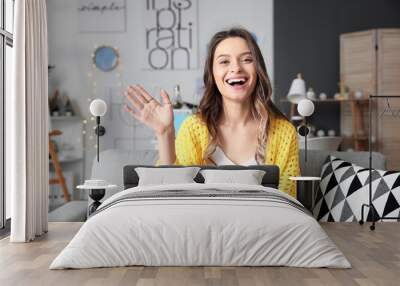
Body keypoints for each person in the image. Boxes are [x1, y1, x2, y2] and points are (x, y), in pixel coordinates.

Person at [124, 27, 300, 197]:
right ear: (212, 74)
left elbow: (288, 197)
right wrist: (165, 133)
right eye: (224, 61)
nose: (236, 68)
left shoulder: (284, 132)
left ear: (258, 69)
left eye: (246, 59)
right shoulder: (194, 128)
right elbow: (172, 192)